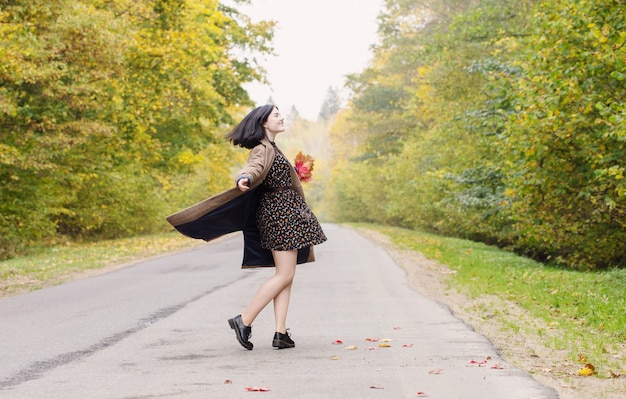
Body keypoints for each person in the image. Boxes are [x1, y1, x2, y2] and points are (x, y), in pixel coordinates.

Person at [223, 104, 326, 350]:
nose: (281, 117)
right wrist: (243, 178)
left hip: (285, 215)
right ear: (263, 123)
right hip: (279, 216)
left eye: (281, 113)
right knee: (284, 275)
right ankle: (244, 320)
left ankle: (280, 332)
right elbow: (253, 168)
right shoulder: (262, 149)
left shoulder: (273, 148)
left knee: (286, 276)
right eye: (276, 115)